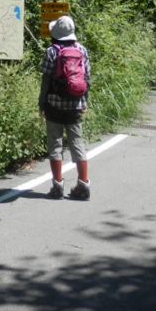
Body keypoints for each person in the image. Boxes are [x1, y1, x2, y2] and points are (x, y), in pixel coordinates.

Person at [38, 15, 91, 200]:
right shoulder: (82, 50)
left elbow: (46, 81)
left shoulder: (51, 51)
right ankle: (83, 184)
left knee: (55, 144)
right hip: (76, 105)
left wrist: (41, 103)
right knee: (78, 143)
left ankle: (57, 186)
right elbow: (87, 80)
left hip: (54, 104)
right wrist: (85, 102)